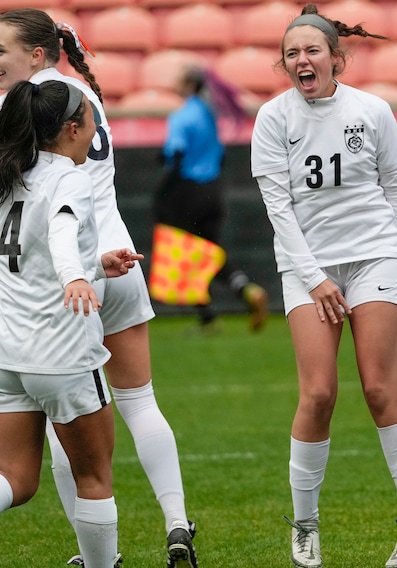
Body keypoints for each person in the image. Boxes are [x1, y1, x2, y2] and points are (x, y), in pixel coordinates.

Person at [250, 4, 397, 567]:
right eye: (292, 53)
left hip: (374, 258)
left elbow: (395, 186)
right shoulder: (272, 118)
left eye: (312, 50)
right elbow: (278, 209)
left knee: (378, 389)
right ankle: (305, 527)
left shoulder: (373, 110)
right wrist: (314, 278)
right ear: (284, 63)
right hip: (307, 268)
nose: (301, 60)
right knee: (317, 394)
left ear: (336, 59)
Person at [0, 9, 197, 567]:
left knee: (70, 429)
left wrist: (76, 272)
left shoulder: (24, 106)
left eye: (1, 51)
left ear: (36, 55)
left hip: (59, 284)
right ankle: (177, 519)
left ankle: (94, 555)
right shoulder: (80, 94)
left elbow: (55, 219)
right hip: (113, 258)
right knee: (137, 400)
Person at [0, 79, 140, 568]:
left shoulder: (11, 173)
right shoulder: (70, 177)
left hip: (9, 355)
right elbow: (60, 231)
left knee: (16, 479)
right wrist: (77, 276)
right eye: (91, 117)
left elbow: (28, 254)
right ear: (72, 128)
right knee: (94, 477)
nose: (97, 127)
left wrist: (97, 265)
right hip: (61, 354)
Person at [154, 63, 269, 333]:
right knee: (209, 250)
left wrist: (163, 195)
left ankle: (208, 316)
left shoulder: (182, 117)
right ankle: (244, 290)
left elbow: (175, 154)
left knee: (187, 253)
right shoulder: (210, 115)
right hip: (213, 191)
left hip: (186, 191)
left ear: (191, 85)